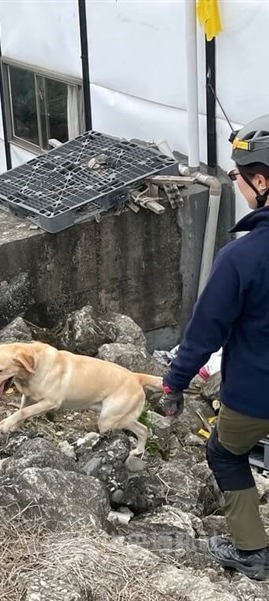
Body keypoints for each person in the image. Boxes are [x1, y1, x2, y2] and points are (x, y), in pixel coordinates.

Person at [159, 114, 269, 580]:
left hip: (255, 394)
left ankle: (252, 552)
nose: (237, 184)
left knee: (225, 452)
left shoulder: (242, 257)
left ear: (260, 180)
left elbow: (205, 333)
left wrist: (174, 383)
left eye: (237, 176)